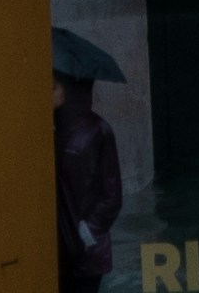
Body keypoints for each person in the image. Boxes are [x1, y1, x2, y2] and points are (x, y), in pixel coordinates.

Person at [53, 63, 124, 293]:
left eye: (54, 88)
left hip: (87, 254)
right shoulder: (51, 129)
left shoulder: (98, 130)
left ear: (70, 91)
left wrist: (86, 234)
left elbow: (112, 195)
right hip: (58, 250)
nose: (48, 93)